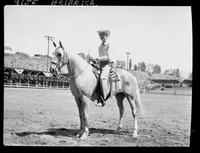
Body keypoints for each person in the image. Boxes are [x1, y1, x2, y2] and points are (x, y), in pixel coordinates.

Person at [96, 30, 111, 107]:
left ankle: (103, 99)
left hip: (107, 65)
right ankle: (96, 96)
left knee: (102, 78)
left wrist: (98, 58)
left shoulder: (109, 45)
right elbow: (99, 58)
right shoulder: (99, 46)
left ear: (107, 36)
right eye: (101, 35)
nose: (102, 37)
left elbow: (108, 57)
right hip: (100, 65)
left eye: (104, 35)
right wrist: (95, 61)